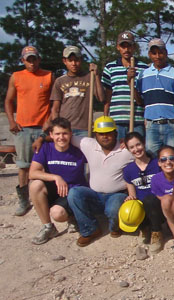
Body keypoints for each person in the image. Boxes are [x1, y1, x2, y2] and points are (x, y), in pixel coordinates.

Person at [64, 116, 134, 247]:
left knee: (113, 209)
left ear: (116, 133)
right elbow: (63, 137)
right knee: (74, 193)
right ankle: (90, 229)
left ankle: (115, 227)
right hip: (94, 194)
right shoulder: (88, 144)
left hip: (117, 194)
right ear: (95, 134)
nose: (105, 136)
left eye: (108, 133)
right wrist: (41, 139)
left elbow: (144, 154)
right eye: (101, 134)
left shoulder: (127, 150)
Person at [4, 45, 54, 216]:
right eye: (28, 59)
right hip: (23, 128)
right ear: (22, 61)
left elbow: (55, 101)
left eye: (34, 58)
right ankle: (24, 200)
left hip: (43, 128)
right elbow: (9, 100)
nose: (32, 62)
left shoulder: (48, 76)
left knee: (46, 164)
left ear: (39, 59)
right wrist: (12, 120)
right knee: (24, 165)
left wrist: (50, 120)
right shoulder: (16, 77)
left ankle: (46, 198)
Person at [29, 118, 87, 244]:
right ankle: (48, 227)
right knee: (35, 185)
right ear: (51, 135)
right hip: (55, 188)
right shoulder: (45, 148)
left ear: (71, 134)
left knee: (58, 213)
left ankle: (73, 217)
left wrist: (121, 142)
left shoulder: (80, 149)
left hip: (73, 191)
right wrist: (56, 177)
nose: (61, 137)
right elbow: (32, 173)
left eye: (65, 133)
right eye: (57, 134)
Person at [132, 38, 174, 156]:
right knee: (152, 159)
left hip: (171, 124)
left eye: (160, 52)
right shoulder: (143, 74)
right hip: (152, 125)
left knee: (171, 158)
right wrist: (130, 83)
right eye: (154, 53)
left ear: (166, 53)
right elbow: (139, 101)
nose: (158, 56)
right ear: (149, 55)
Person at [101, 31, 148, 140]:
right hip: (116, 119)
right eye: (123, 46)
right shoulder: (110, 67)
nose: (126, 50)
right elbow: (108, 96)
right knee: (119, 152)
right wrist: (105, 117)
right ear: (118, 47)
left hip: (137, 119)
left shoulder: (143, 68)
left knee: (137, 151)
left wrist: (130, 82)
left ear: (134, 47)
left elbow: (143, 99)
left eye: (129, 46)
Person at [122, 132, 164, 253]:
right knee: (130, 204)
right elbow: (132, 194)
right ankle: (145, 228)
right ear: (128, 149)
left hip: (158, 205)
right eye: (132, 147)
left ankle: (157, 233)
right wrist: (130, 200)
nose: (136, 149)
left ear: (144, 143)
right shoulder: (128, 170)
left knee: (149, 200)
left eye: (138, 144)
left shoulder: (157, 164)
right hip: (142, 208)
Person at [50, 46, 104, 137]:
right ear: (64, 61)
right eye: (70, 60)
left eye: (76, 60)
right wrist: (56, 128)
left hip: (85, 128)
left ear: (81, 60)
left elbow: (101, 98)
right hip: (65, 128)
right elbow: (55, 109)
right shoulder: (60, 81)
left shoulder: (89, 77)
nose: (74, 63)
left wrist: (97, 75)